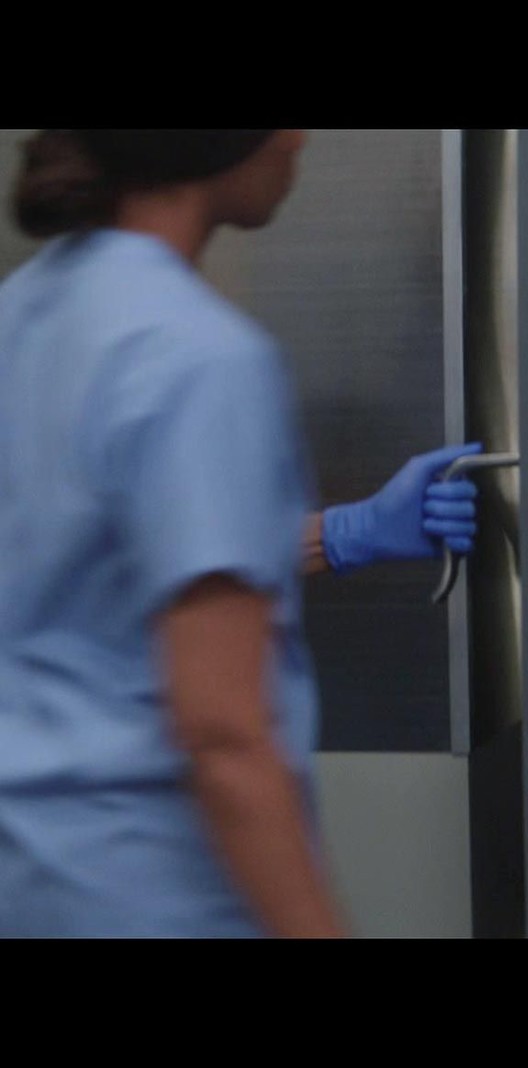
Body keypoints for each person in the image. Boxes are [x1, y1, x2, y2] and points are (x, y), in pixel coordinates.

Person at [0, 130, 483, 937]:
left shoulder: (24, 312)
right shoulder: (201, 356)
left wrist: (347, 534)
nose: (298, 137)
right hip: (153, 894)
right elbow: (223, 735)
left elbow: (99, 566)